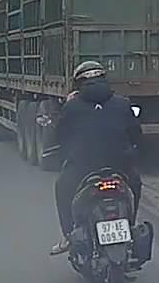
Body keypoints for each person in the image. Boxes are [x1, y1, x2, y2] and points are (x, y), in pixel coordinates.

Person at [50, 60, 143, 256]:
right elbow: (136, 134)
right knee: (135, 183)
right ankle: (130, 225)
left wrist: (68, 153)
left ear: (78, 83)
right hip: (120, 166)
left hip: (83, 168)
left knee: (62, 187)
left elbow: (60, 136)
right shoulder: (122, 103)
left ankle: (68, 236)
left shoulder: (71, 106)